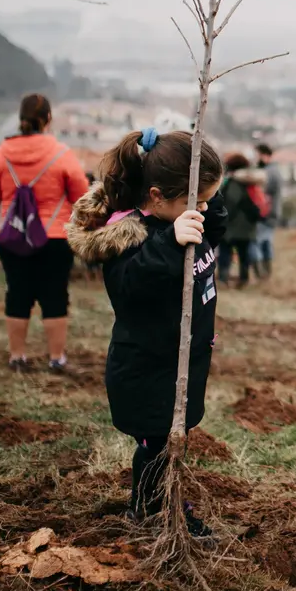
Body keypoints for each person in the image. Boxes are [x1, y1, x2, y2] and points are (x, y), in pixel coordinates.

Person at [66, 128, 227, 537]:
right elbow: (130, 287)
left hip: (181, 362)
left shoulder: (185, 219)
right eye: (198, 200)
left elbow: (216, 228)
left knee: (170, 440)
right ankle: (154, 511)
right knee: (156, 446)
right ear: (157, 196)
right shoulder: (132, 238)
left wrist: (205, 197)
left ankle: (155, 504)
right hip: (148, 368)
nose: (206, 209)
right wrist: (171, 245)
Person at [0, 94, 88, 373]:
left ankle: (17, 357)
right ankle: (56, 358)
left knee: (17, 292)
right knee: (54, 295)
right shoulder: (61, 153)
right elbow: (80, 195)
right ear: (49, 119)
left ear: (21, 119)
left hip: (12, 236)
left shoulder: (2, 153)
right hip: (54, 237)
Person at [218, 153, 268, 289]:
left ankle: (223, 278)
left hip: (231, 226)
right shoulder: (250, 182)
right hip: (247, 227)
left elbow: (231, 203)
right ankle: (244, 279)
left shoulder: (233, 182)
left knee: (225, 253)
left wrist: (223, 218)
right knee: (244, 255)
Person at [250, 143, 282, 278]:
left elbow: (262, 191)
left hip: (265, 213)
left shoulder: (268, 172)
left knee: (256, 241)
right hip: (272, 213)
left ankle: (260, 274)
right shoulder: (275, 170)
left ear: (264, 155)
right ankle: (266, 273)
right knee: (266, 242)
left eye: (257, 155)